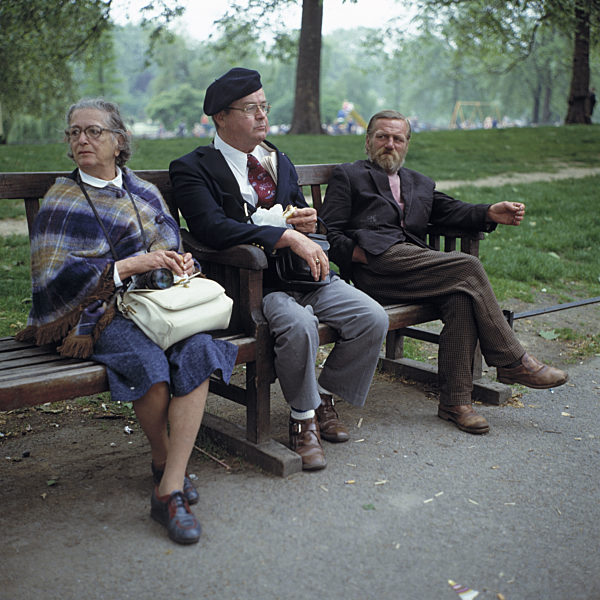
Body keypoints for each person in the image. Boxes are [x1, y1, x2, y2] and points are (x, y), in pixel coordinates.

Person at [17, 98, 238, 545]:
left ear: (119, 142)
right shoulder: (61, 198)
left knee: (198, 350)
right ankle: (165, 467)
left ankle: (168, 485)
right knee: (150, 368)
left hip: (157, 306)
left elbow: (166, 244)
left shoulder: (145, 193)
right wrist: (128, 266)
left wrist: (176, 264)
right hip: (94, 315)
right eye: (74, 132)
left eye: (93, 131)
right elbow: (51, 276)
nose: (81, 139)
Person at [169, 68, 388, 471]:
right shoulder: (193, 167)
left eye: (264, 107)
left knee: (371, 318)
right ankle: (303, 422)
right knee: (299, 325)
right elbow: (210, 228)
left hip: (302, 274)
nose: (262, 116)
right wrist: (283, 235)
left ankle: (323, 398)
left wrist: (303, 220)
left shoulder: (278, 159)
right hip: (248, 284)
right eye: (251, 108)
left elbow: (298, 214)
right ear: (220, 116)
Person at [321, 109, 568, 435]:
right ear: (368, 142)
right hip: (376, 270)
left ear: (407, 144)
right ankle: (512, 360)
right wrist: (361, 255)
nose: (389, 144)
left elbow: (452, 210)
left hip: (415, 268)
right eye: (382, 137)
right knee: (467, 267)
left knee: (461, 296)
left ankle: (456, 402)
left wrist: (490, 212)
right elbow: (328, 231)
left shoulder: (418, 182)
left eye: (397, 138)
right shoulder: (349, 176)